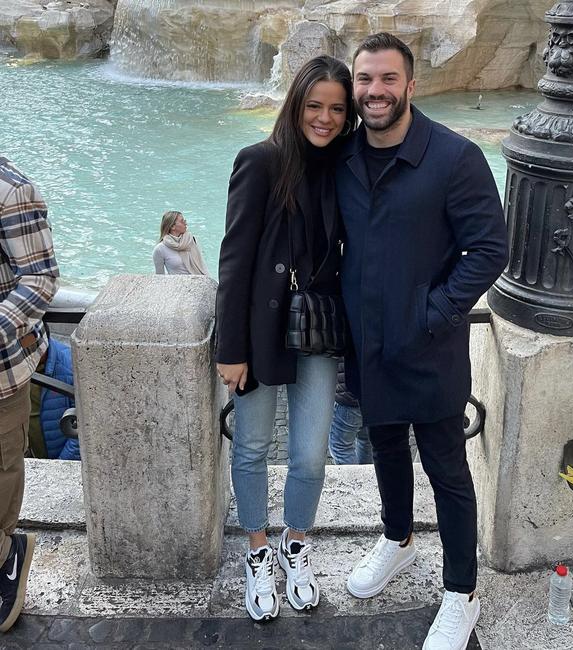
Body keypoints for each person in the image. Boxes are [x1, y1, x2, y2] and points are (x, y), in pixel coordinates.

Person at [336, 34, 508, 650]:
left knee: (447, 471)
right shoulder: (345, 155)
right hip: (367, 344)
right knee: (384, 447)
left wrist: (433, 311)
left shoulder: (455, 157)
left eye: (387, 79)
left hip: (429, 346)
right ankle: (398, 539)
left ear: (411, 85)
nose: (374, 91)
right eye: (364, 80)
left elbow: (490, 248)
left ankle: (462, 593)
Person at [215, 55, 355, 622]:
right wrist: (231, 350)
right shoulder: (260, 161)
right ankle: (256, 551)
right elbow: (234, 259)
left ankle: (295, 543)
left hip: (318, 328)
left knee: (310, 453)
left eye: (335, 109)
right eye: (314, 105)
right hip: (262, 331)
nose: (323, 118)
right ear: (295, 104)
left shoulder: (345, 168)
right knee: (250, 446)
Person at [0, 157, 59, 632]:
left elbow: (39, 281)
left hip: (1, 370)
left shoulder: (11, 189)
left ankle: (6, 554)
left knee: (1, 472)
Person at [28, 327, 79, 461]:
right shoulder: (16, 366)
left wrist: (60, 466)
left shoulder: (72, 366)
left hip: (59, 461)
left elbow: (83, 429)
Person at [328, 359, 372, 464]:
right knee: (366, 441)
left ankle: (356, 480)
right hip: (372, 395)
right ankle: (369, 477)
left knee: (340, 448)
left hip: (348, 397)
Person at [153, 210, 209, 275]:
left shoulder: (191, 240)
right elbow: (159, 277)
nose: (186, 223)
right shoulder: (160, 249)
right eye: (182, 221)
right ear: (172, 226)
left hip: (198, 281)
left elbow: (203, 265)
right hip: (178, 284)